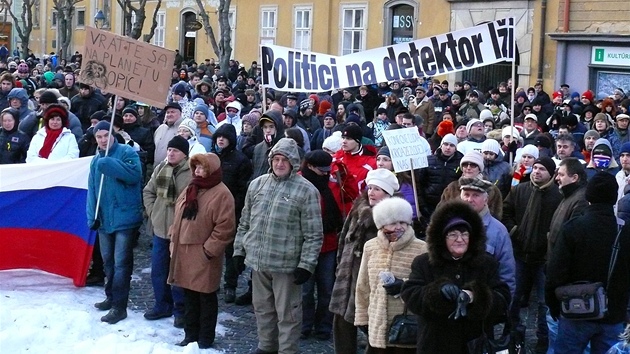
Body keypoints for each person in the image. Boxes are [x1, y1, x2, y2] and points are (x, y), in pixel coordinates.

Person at [232, 138, 323, 354]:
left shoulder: (306, 191)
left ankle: (287, 350)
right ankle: (266, 346)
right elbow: (245, 222)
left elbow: (313, 234)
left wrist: (306, 265)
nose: (279, 164)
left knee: (288, 314)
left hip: (286, 265)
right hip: (259, 261)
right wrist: (238, 251)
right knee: (263, 309)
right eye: (276, 159)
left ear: (293, 162)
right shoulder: (257, 184)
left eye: (284, 160)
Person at [400, 199, 511, 353]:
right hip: (435, 345)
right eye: (453, 234)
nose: (460, 239)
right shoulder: (424, 263)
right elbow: (411, 295)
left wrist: (473, 296)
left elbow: (503, 298)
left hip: (474, 344)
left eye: (464, 234)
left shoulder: (486, 263)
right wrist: (438, 291)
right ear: (442, 238)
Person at [546, 172, 630, 354]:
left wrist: (553, 304)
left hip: (575, 310)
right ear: (614, 198)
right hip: (613, 314)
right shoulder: (625, 232)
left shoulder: (573, 227)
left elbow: (555, 272)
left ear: (589, 196)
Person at [168, 153, 236, 349]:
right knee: (189, 297)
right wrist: (174, 238)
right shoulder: (192, 188)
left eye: (202, 168)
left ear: (211, 170)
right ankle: (190, 335)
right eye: (195, 167)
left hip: (204, 256)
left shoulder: (222, 193)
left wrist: (208, 251)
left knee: (205, 298)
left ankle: (205, 339)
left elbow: (225, 228)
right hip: (185, 252)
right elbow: (178, 215)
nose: (197, 171)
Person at [329, 168, 399, 354]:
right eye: (370, 188)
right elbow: (345, 237)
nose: (372, 192)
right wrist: (339, 265)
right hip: (347, 273)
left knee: (371, 324)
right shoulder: (357, 209)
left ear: (388, 194)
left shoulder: (394, 218)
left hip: (370, 279)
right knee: (342, 320)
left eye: (378, 189)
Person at [502, 156, 562, 353]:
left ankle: (543, 341)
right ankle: (511, 335)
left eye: (542, 169)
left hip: (544, 258)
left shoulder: (558, 196)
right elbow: (506, 212)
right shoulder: (520, 190)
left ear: (551, 173)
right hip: (520, 254)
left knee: (545, 303)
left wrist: (548, 238)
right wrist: (515, 230)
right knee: (514, 297)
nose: (536, 172)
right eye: (535, 168)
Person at [87, 121, 143, 324]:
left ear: (113, 135)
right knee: (108, 262)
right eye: (99, 137)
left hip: (124, 219)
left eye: (105, 135)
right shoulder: (96, 160)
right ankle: (110, 297)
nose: (102, 140)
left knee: (121, 264)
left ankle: (120, 306)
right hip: (104, 219)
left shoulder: (128, 152)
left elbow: (133, 176)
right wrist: (91, 215)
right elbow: (92, 189)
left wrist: (108, 164)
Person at [354, 197, 427, 352]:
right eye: (393, 223)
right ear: (382, 225)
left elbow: (427, 286)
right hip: (377, 326)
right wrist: (362, 318)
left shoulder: (422, 249)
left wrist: (404, 285)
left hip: (407, 327)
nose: (398, 227)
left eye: (403, 222)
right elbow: (363, 286)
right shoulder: (370, 247)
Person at [142, 136, 192, 328]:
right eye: (169, 149)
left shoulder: (190, 173)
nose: (170, 153)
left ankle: (181, 309)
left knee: (178, 272)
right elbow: (148, 191)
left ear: (184, 154)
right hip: (159, 228)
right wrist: (153, 211)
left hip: (179, 231)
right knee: (159, 270)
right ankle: (162, 304)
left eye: (175, 151)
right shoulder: (161, 168)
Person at [300, 150, 344, 341]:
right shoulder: (299, 182)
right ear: (309, 166)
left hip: (329, 243)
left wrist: (345, 177)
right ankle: (304, 324)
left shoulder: (333, 183)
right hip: (305, 245)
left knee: (327, 288)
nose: (326, 173)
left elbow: (345, 201)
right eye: (321, 170)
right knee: (305, 290)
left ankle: (324, 326)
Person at [210, 123, 253, 303]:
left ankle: (230, 285)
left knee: (230, 251)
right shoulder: (210, 157)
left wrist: (233, 206)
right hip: (211, 210)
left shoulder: (240, 160)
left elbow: (243, 189)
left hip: (231, 211)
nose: (220, 139)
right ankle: (211, 282)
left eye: (224, 137)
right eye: (218, 136)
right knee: (211, 248)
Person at [459, 176, 516, 297]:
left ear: (486, 200)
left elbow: (506, 274)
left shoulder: (498, 231)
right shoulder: (447, 225)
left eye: (475, 195)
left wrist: (502, 305)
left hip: (483, 303)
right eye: (466, 194)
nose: (469, 199)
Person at [418, 133, 463, 218]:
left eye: (451, 145)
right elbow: (420, 184)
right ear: (441, 145)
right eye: (445, 144)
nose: (448, 147)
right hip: (429, 204)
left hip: (450, 205)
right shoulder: (429, 160)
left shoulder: (460, 163)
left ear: (455, 148)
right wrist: (422, 205)